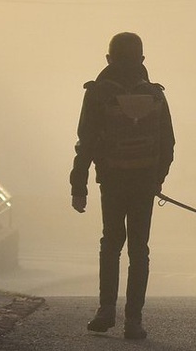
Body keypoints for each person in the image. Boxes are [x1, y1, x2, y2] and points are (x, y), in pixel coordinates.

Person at [69, 32, 175, 340]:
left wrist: (79, 186)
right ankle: (134, 320)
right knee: (139, 249)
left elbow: (86, 142)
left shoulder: (97, 93)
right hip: (144, 183)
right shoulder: (155, 95)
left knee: (111, 244)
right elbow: (168, 143)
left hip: (112, 180)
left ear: (108, 59)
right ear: (142, 59)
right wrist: (157, 178)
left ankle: (105, 310)